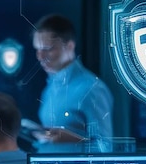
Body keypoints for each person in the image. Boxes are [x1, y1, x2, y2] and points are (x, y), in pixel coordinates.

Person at [31, 14, 114, 153]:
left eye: (48, 49)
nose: (40, 57)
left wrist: (74, 140)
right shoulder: (51, 86)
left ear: (69, 46)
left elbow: (106, 147)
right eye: (37, 49)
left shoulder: (92, 89)